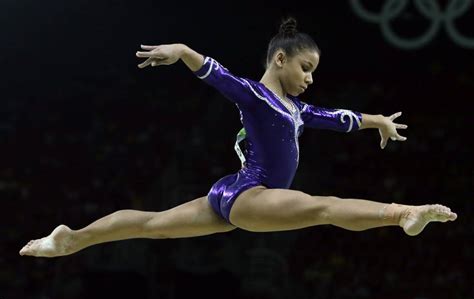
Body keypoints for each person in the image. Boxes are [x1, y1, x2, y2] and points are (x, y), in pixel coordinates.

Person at [20, 17, 457, 258]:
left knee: (154, 225)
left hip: (230, 193)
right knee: (323, 208)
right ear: (280, 58)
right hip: (252, 193)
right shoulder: (256, 95)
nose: (309, 79)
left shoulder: (296, 109)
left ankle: (71, 238)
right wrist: (184, 52)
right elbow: (219, 75)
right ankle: (402, 214)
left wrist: (376, 119)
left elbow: (340, 117)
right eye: (305, 68)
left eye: (314, 73)